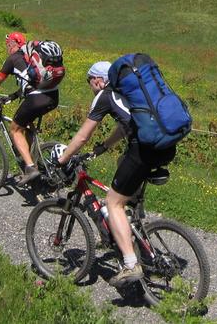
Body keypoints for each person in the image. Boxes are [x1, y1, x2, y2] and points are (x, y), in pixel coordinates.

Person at [56, 60, 176, 287]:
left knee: (113, 202)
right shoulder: (130, 93)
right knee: (123, 166)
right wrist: (104, 147)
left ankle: (131, 264)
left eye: (89, 81)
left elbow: (82, 137)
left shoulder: (105, 95)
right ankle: (132, 219)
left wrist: (63, 159)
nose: (90, 86)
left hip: (143, 150)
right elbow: (125, 126)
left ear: (99, 80)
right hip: (165, 147)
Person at [0, 31, 59, 184]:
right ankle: (35, 161)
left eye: (7, 45)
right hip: (53, 96)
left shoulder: (12, 59)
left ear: (12, 44)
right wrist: (11, 97)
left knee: (15, 129)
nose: (7, 48)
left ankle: (31, 168)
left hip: (36, 98)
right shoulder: (30, 58)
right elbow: (29, 82)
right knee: (25, 125)